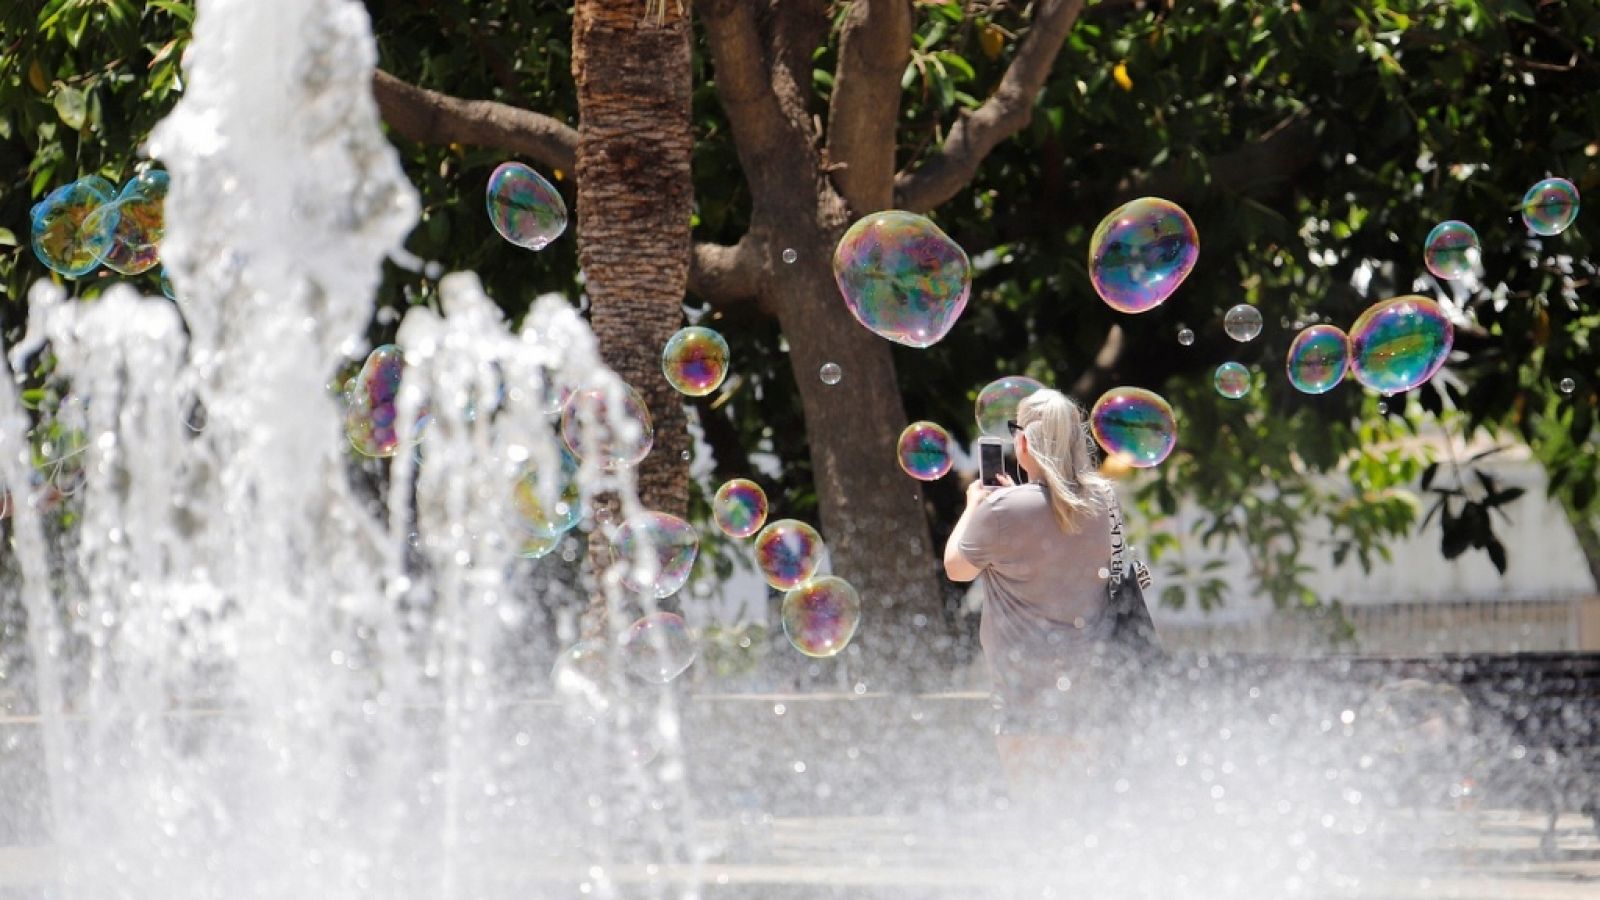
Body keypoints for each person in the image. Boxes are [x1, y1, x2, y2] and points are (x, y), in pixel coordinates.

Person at [943, 388, 1120, 796]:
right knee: (1080, 810)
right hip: (1088, 687)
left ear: (1022, 441)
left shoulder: (1001, 509)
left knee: (1036, 813)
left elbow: (956, 567)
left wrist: (977, 505)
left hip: (1023, 693)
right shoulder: (1104, 502)